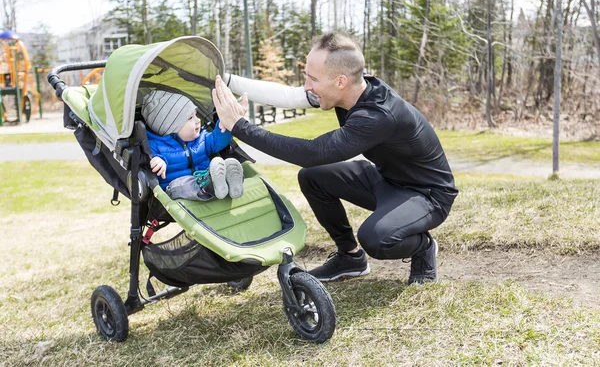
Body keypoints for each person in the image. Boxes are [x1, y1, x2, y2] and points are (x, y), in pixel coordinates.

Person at [213, 31, 458, 284]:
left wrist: (240, 126)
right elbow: (288, 96)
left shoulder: (378, 115)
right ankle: (350, 258)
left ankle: (423, 246)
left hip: (428, 195)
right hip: (388, 180)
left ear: (340, 81)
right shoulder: (352, 89)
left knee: (377, 238)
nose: (307, 86)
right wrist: (224, 79)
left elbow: (314, 153)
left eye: (312, 79)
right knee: (313, 178)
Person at [142, 89, 244, 201]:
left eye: (196, 115)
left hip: (205, 176)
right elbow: (151, 158)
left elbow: (218, 140)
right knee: (180, 186)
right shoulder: (155, 145)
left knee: (218, 168)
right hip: (176, 188)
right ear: (170, 128)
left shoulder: (202, 138)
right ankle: (209, 186)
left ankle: (229, 180)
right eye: (190, 118)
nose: (198, 120)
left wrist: (223, 127)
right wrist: (159, 161)